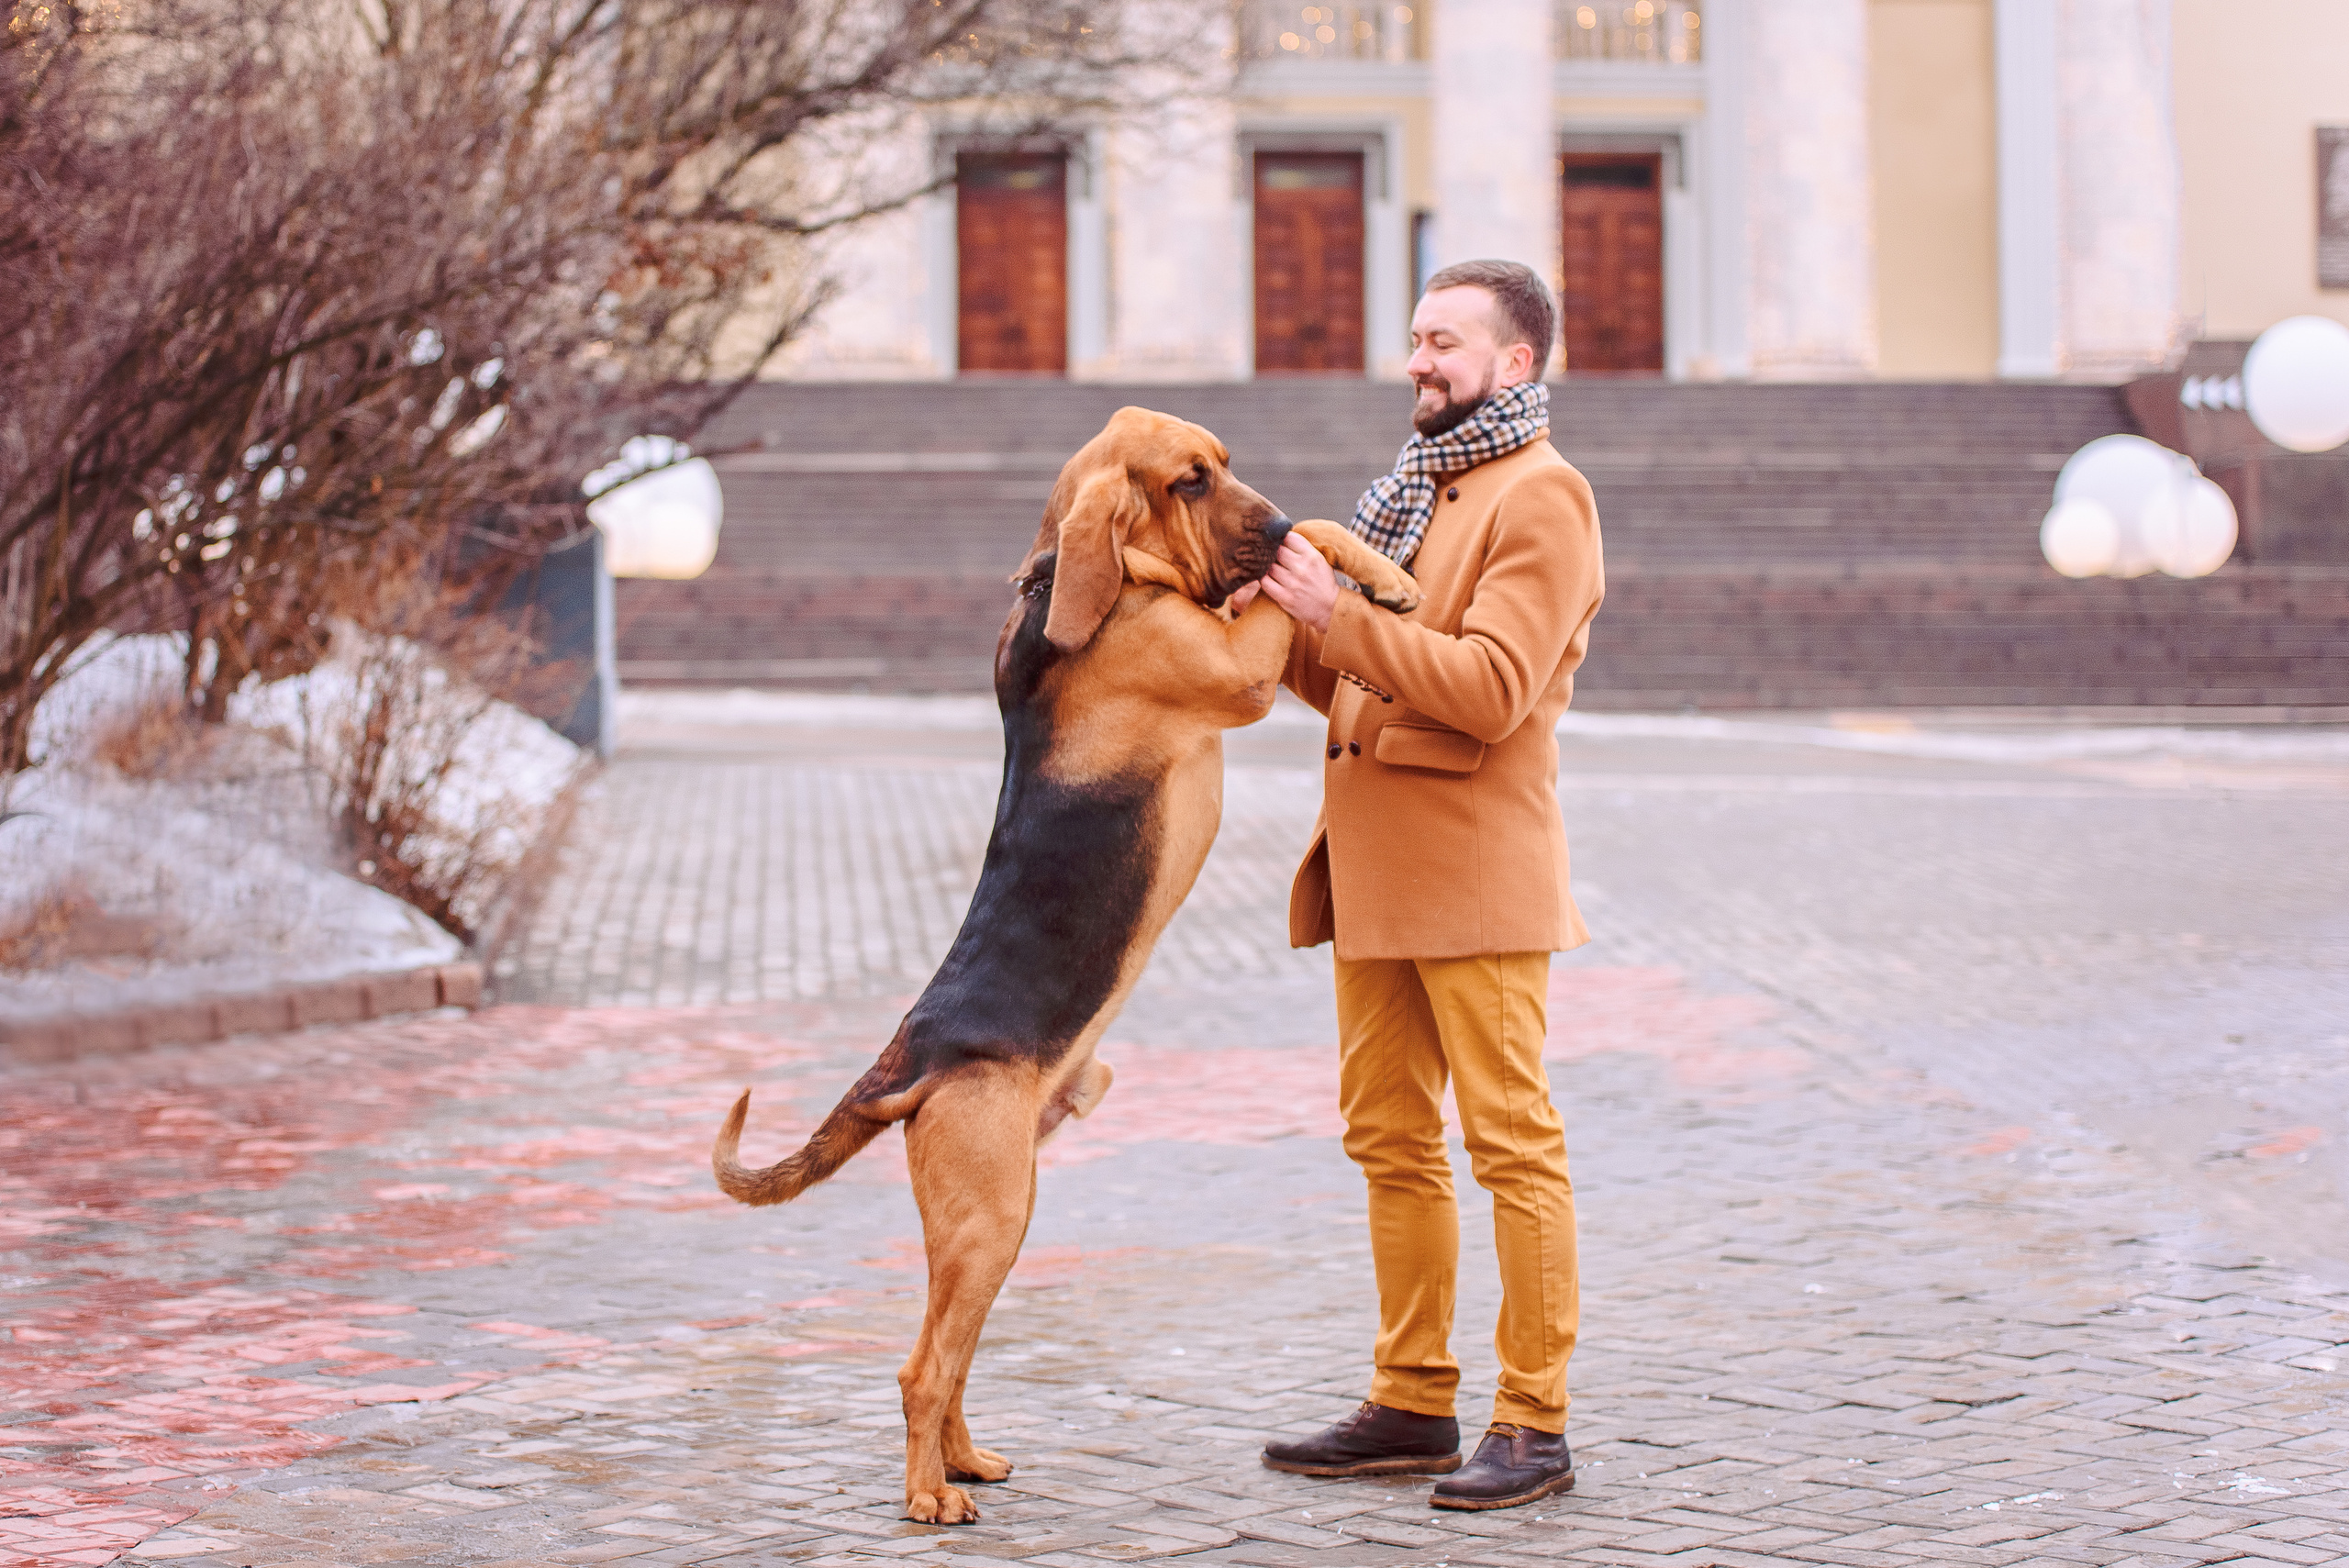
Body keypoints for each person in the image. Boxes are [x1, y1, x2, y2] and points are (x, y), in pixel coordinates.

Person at [1236, 259, 1604, 1512]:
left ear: (1514, 363)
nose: (1419, 361)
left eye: (1445, 341)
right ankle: (1411, 1398)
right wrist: (1285, 625)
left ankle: (1535, 1421)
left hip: (1477, 876)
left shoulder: (1541, 498)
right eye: (1414, 337)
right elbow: (1362, 682)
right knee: (1388, 1138)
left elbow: (1491, 687)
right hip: (1377, 873)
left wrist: (1334, 614)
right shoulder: (1417, 494)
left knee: (1510, 1145)